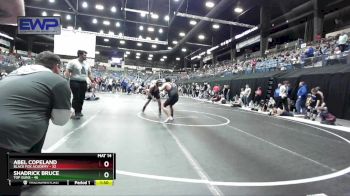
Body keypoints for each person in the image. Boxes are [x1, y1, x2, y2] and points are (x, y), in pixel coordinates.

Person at [0, 51, 71, 195]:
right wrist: (69, 111)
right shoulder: (58, 81)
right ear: (57, 66)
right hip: (13, 135)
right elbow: (60, 120)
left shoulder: (13, 73)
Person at [65, 50, 93, 119]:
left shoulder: (87, 64)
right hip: (74, 81)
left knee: (82, 97)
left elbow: (89, 73)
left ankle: (79, 111)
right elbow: (68, 71)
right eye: (84, 55)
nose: (86, 56)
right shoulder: (73, 62)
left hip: (83, 82)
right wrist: (66, 80)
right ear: (80, 55)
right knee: (76, 97)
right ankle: (74, 113)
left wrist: (93, 81)